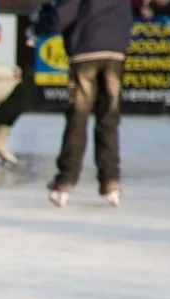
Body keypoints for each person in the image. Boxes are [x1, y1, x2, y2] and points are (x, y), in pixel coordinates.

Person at [35, 0, 133, 207]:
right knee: (109, 117)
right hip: (114, 51)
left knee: (78, 117)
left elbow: (63, 13)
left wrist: (40, 26)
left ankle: (66, 180)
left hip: (86, 48)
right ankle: (110, 180)